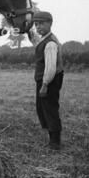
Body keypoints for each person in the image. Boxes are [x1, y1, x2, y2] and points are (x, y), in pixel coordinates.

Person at [29, 11, 65, 150]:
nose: (38, 27)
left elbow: (50, 68)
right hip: (46, 81)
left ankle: (55, 142)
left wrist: (44, 85)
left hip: (49, 81)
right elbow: (35, 41)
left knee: (50, 109)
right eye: (36, 24)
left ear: (50, 23)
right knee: (43, 108)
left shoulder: (50, 44)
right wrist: (28, 30)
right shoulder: (45, 40)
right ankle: (52, 138)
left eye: (41, 24)